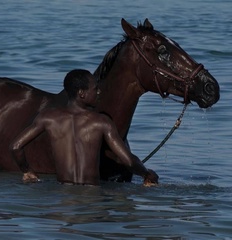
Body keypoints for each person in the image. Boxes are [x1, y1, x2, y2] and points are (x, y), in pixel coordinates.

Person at [10, 69, 158, 186]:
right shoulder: (101, 122)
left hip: (63, 195)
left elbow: (15, 147)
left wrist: (27, 171)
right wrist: (146, 174)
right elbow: (129, 161)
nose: (99, 92)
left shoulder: (48, 118)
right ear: (81, 93)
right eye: (95, 89)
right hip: (91, 195)